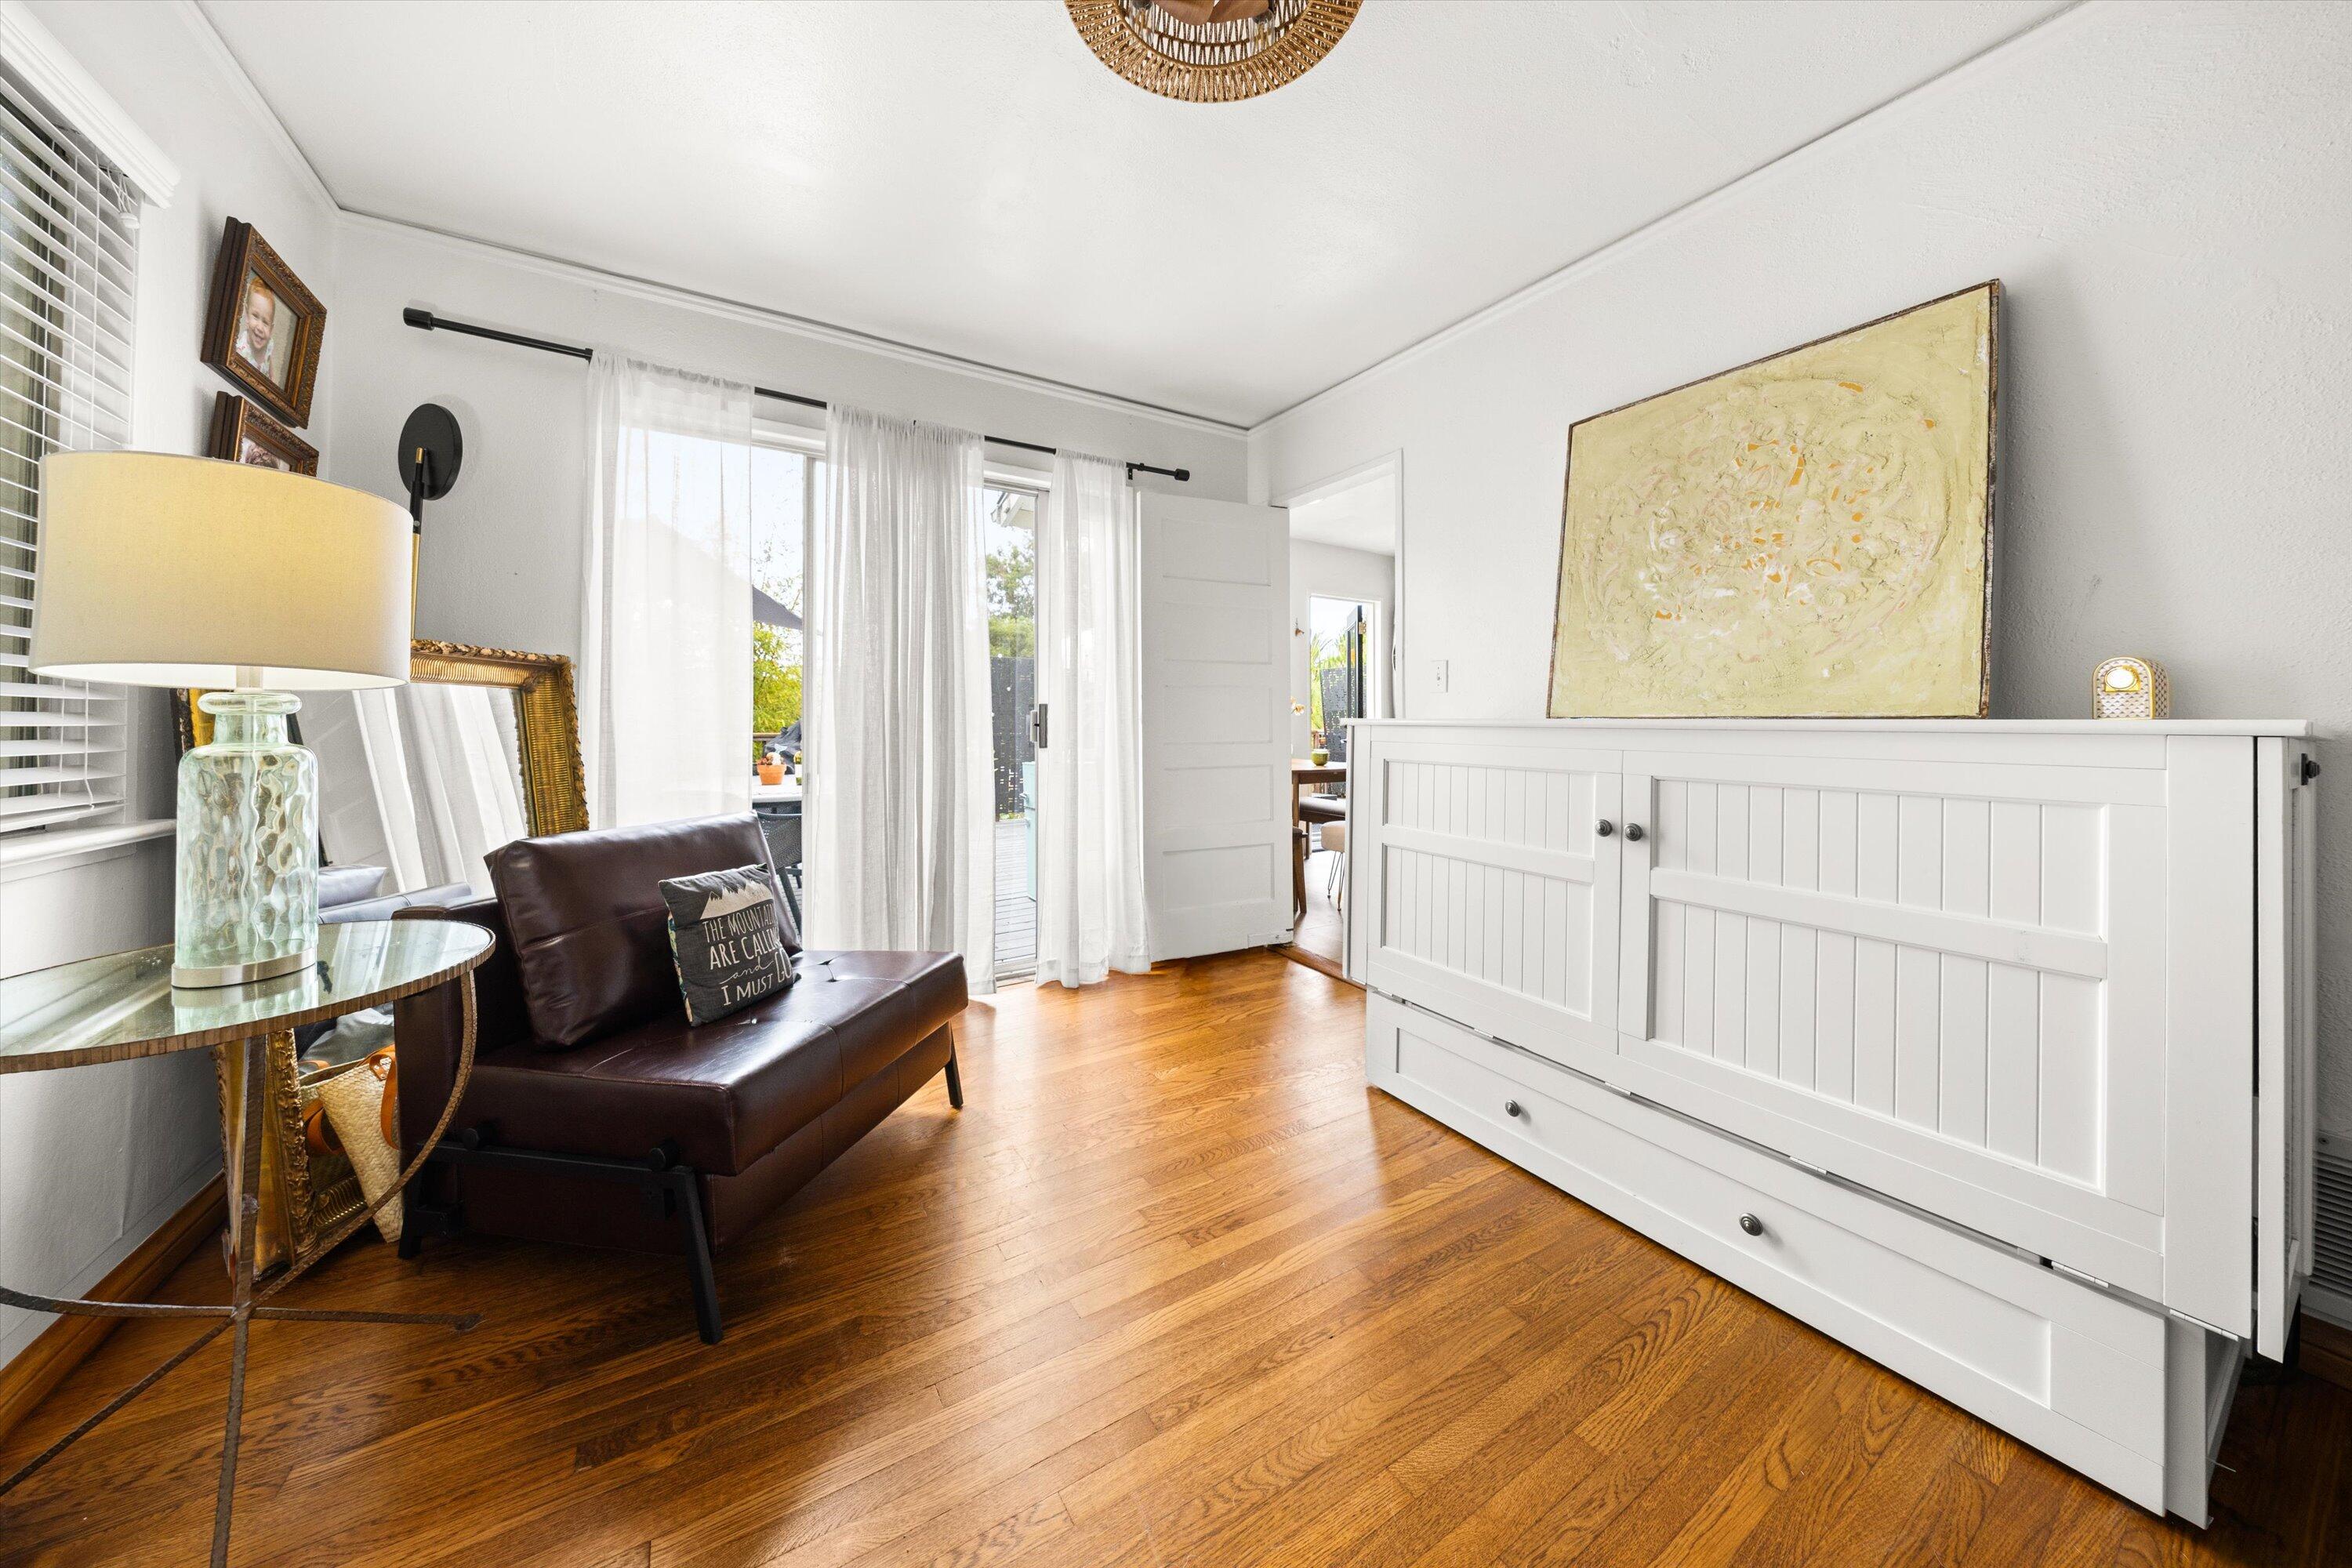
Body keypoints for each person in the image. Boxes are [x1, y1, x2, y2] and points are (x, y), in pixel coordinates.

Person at [234, 277, 285, 383]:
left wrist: (272, 380)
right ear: (247, 315)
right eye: (255, 316)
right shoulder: (241, 351)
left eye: (265, 322)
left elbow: (269, 362)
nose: (260, 327)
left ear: (271, 329)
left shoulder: (269, 343)